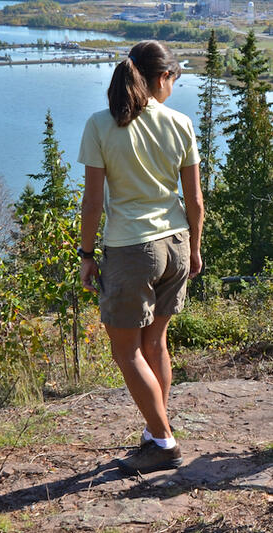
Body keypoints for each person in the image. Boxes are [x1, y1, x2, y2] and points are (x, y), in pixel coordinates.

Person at [78, 40, 203, 475]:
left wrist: (86, 253)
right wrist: (197, 248)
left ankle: (164, 441)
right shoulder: (180, 123)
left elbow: (93, 204)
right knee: (155, 343)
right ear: (162, 77)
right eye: (174, 79)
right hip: (176, 246)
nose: (174, 87)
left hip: (132, 250)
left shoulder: (101, 125)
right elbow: (196, 202)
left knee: (126, 351)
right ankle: (155, 433)